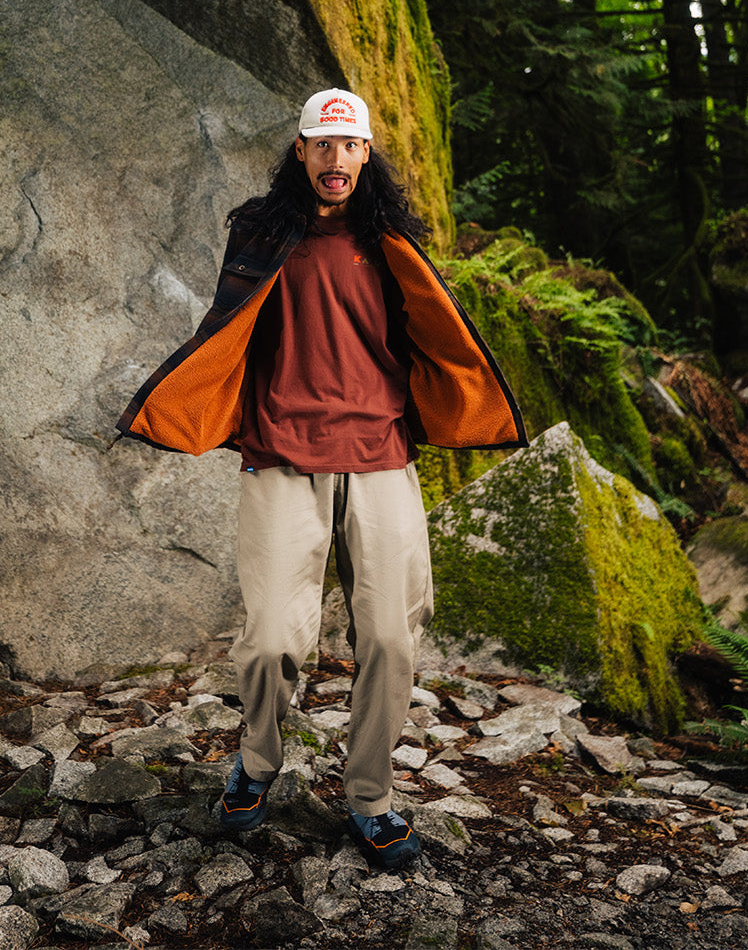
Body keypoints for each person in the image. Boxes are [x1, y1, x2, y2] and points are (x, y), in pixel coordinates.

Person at [117, 88, 526, 870]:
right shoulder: (263, 231)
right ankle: (256, 763)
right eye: (322, 145)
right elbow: (226, 332)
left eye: (350, 146)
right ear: (301, 152)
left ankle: (370, 797)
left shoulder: (392, 239)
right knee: (272, 637)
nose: (336, 159)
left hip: (381, 453)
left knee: (391, 636)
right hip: (281, 451)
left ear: (366, 154)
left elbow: (432, 335)